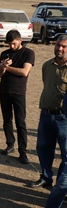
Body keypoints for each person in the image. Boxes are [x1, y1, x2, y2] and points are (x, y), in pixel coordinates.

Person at [28, 35, 67, 190]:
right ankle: (45, 177)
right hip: (46, 114)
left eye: (64, 46)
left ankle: (63, 187)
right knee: (44, 147)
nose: (59, 49)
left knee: (65, 153)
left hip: (64, 117)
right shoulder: (47, 65)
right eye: (58, 45)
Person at [0, 30, 34, 164]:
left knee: (20, 122)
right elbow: (0, 74)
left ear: (20, 41)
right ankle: (10, 144)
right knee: (7, 119)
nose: (11, 46)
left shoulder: (28, 53)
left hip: (19, 92)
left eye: (13, 43)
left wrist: (8, 67)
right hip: (4, 91)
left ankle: (22, 151)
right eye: (9, 44)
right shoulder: (4, 53)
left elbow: (24, 72)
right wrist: (2, 67)